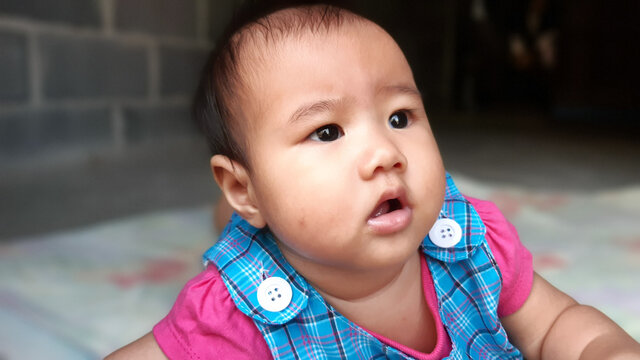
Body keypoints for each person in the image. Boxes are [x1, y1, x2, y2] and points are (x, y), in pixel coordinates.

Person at [107, 2, 640, 359]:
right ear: (243, 185)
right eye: (327, 131)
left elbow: (556, 326)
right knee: (248, 235)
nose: (385, 153)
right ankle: (235, 219)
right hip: (264, 246)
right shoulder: (230, 314)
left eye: (400, 118)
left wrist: (607, 350)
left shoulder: (474, 247)